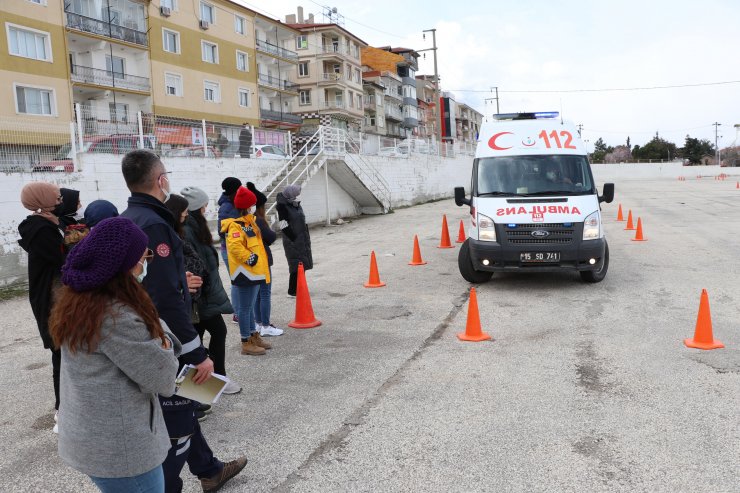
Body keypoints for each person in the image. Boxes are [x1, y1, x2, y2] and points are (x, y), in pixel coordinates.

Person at [120, 149, 247, 493]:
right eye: (167, 175)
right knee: (177, 414)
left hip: (146, 330)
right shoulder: (155, 224)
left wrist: (181, 280)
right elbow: (165, 298)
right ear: (161, 180)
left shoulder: (130, 216)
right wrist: (195, 352)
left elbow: (152, 281)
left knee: (186, 403)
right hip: (162, 338)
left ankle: (210, 469)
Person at [49, 217, 180, 493]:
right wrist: (159, 331)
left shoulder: (82, 300)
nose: (146, 264)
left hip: (95, 438)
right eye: (145, 256)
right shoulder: (117, 317)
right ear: (125, 267)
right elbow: (164, 378)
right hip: (121, 451)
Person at [180, 186, 241, 394]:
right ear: (197, 207)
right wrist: (203, 289)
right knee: (215, 332)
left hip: (205, 293)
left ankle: (197, 385)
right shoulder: (188, 230)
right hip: (200, 295)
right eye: (205, 204)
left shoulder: (196, 226)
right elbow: (196, 264)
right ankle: (217, 379)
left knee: (197, 338)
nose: (207, 207)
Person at [18, 182, 65, 433]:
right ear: (43, 199)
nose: (60, 200)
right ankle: (62, 412)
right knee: (61, 355)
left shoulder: (48, 223)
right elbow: (61, 259)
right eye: (56, 197)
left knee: (65, 354)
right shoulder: (40, 229)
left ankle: (66, 409)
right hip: (52, 300)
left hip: (56, 296)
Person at [220, 186, 272, 356]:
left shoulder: (249, 222)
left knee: (248, 308)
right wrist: (251, 258)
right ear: (248, 205)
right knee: (244, 308)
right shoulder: (236, 225)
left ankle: (253, 336)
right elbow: (234, 246)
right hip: (244, 273)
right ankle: (246, 341)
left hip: (254, 272)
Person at [246, 182, 283, 337]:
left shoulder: (247, 220)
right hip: (262, 261)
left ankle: (260, 323)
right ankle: (266, 325)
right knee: (265, 294)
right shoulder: (259, 220)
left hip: (253, 261)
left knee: (257, 295)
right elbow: (271, 237)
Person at [276, 184, 312, 297]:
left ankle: (300, 287)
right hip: (293, 241)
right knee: (296, 265)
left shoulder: (294, 204)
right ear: (290, 194)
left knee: (303, 264)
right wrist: (294, 238)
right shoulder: (282, 207)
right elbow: (283, 225)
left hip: (302, 238)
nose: (297, 196)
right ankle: (292, 291)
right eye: (296, 194)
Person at [218, 177, 242, 324]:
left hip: (236, 248)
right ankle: (237, 313)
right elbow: (222, 231)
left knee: (240, 281)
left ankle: (241, 310)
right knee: (237, 281)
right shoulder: (226, 207)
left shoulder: (234, 204)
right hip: (229, 249)